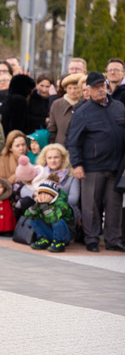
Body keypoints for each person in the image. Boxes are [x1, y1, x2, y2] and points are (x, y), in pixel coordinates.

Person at [66, 71, 125, 252]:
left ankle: (113, 240)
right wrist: (77, 165)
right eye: (97, 87)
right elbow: (73, 141)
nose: (101, 90)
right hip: (92, 167)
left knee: (114, 205)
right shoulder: (82, 112)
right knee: (90, 205)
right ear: (89, 90)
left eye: (103, 86)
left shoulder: (119, 107)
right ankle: (91, 239)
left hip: (117, 166)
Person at [25, 180, 75, 253]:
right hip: (50, 232)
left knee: (57, 220)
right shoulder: (42, 202)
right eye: (40, 193)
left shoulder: (61, 203)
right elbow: (28, 214)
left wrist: (44, 205)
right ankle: (44, 239)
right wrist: (37, 205)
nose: (42, 196)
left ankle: (59, 243)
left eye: (45, 194)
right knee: (33, 218)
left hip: (64, 235)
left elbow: (53, 218)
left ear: (53, 194)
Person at [48, 74, 81, 144]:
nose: (72, 91)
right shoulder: (56, 104)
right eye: (69, 88)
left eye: (75, 88)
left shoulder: (86, 104)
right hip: (61, 148)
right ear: (65, 89)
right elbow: (51, 129)